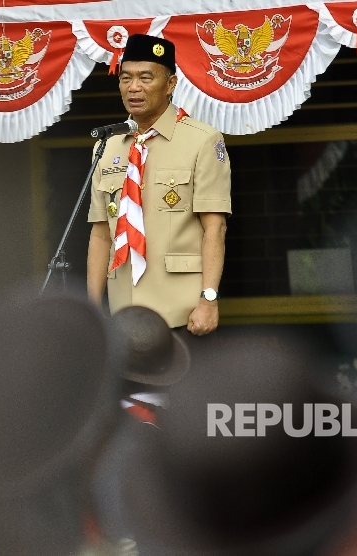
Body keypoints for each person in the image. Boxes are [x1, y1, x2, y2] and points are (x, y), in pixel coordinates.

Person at [86, 34, 231, 336]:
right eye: (126, 78)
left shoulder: (201, 140)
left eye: (145, 77)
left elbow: (214, 228)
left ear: (171, 85)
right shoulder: (108, 146)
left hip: (179, 310)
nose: (134, 87)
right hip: (122, 313)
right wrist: (91, 310)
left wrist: (209, 299)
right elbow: (101, 235)